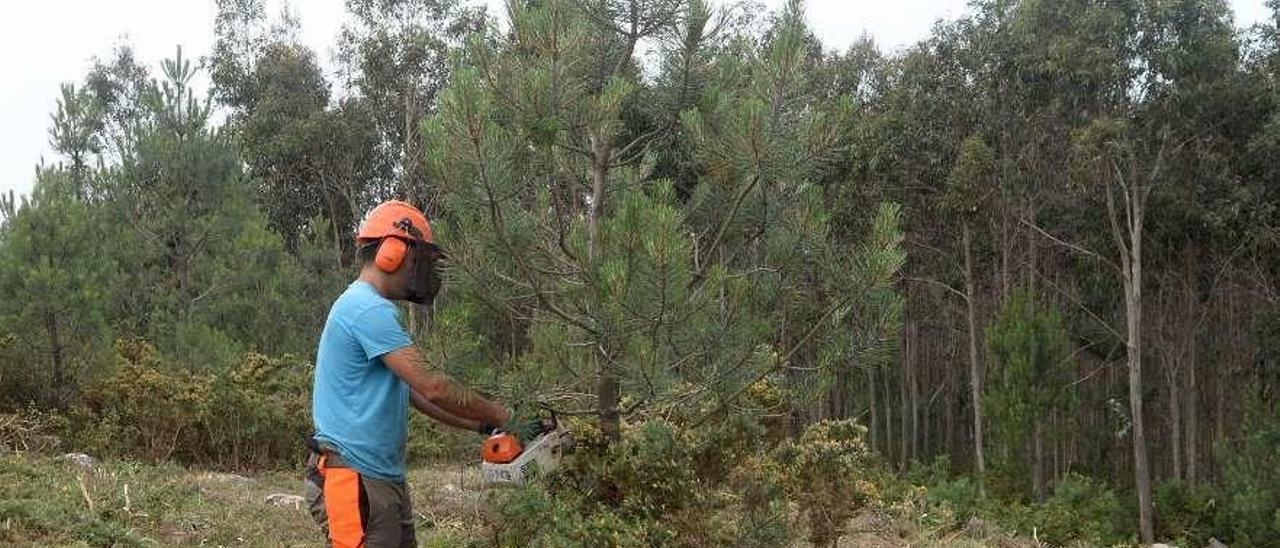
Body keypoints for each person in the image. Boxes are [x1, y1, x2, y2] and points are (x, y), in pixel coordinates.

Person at [305, 200, 510, 548]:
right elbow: (432, 386)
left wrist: (483, 425)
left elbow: (413, 393)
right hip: (355, 479)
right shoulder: (365, 308)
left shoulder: (373, 310)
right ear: (392, 251)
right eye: (419, 260)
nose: (422, 270)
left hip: (380, 479)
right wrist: (503, 413)